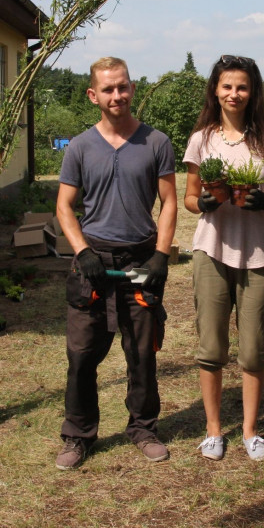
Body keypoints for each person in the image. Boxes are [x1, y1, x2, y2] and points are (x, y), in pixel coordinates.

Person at [54, 56, 178, 470]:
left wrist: (161, 255)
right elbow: (65, 207)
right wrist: (82, 251)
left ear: (133, 88)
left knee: (142, 353)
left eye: (122, 87)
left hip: (139, 262)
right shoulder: (79, 147)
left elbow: (170, 203)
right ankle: (78, 435)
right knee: (82, 356)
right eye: (107, 89)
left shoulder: (156, 142)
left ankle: (143, 428)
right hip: (93, 265)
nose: (117, 95)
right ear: (93, 95)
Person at [182, 55, 264, 462]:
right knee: (211, 345)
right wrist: (202, 203)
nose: (234, 94)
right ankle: (213, 430)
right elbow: (192, 196)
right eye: (227, 86)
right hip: (211, 250)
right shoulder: (201, 139)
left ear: (252, 92)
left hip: (258, 253)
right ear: (215, 90)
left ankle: (249, 431)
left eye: (242, 87)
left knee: (254, 348)